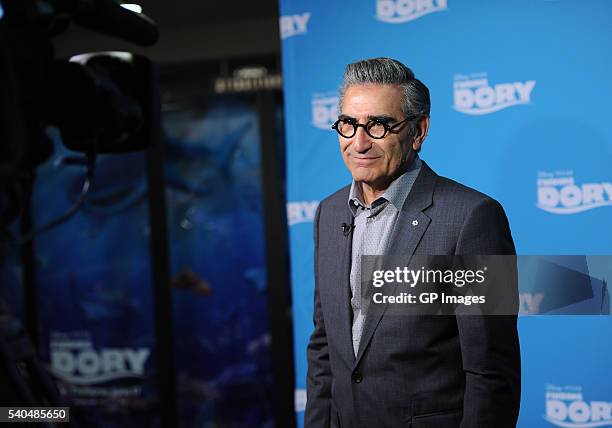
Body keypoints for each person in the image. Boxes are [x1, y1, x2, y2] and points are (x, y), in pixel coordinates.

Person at [305, 57, 520, 428]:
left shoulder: (474, 217)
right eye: (347, 125)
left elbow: (491, 371)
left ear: (418, 131)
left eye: (378, 125)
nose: (359, 142)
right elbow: (325, 349)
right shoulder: (328, 213)